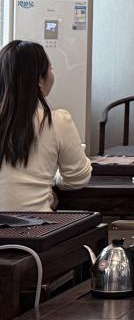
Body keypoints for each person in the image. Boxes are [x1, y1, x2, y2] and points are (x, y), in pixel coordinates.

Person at [0, 40, 91, 211]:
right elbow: (78, 179)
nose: (52, 74)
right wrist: (50, 182)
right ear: (39, 79)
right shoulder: (57, 122)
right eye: (51, 68)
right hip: (36, 225)